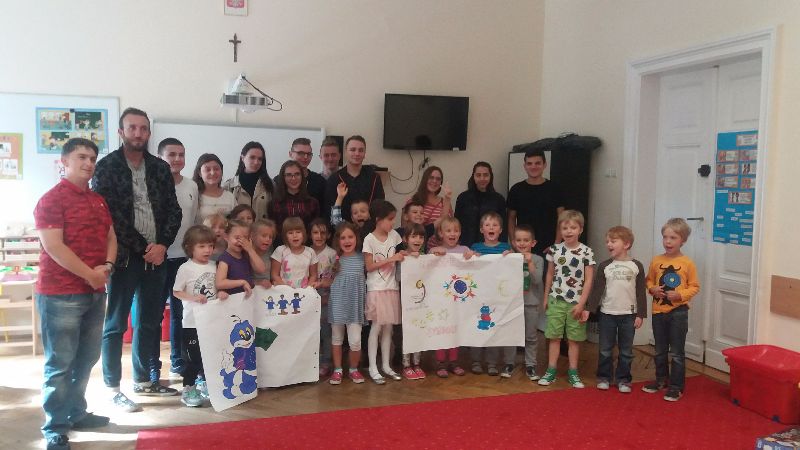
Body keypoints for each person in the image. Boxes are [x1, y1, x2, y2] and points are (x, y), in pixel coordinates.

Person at [92, 107, 181, 412]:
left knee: (150, 321)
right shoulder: (106, 167)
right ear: (121, 132)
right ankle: (112, 388)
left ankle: (143, 381)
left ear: (149, 133)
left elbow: (173, 210)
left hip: (157, 257)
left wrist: (163, 245)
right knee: (116, 324)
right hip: (124, 258)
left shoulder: (159, 168)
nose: (138, 133)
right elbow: (111, 217)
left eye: (143, 128)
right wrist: (145, 248)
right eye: (132, 128)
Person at [35, 138, 116, 450]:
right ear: (64, 162)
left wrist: (108, 265)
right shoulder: (51, 200)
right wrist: (90, 274)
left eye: (92, 158)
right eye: (81, 157)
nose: (89, 163)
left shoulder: (98, 200)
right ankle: (55, 427)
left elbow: (111, 237)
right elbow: (53, 246)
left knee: (86, 358)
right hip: (60, 293)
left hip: (95, 291)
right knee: (60, 364)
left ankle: (76, 412)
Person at [642, 218, 700, 402]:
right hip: (658, 311)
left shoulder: (687, 263)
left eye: (673, 238)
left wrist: (680, 295)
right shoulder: (656, 260)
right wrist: (652, 289)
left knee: (676, 352)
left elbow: (694, 286)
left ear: (683, 240)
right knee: (659, 350)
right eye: (665, 237)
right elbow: (649, 280)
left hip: (678, 312)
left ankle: (676, 387)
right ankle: (661, 380)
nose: (668, 241)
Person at [585, 226, 647, 393]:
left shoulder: (637, 266)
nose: (609, 244)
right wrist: (589, 309)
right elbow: (597, 290)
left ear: (626, 244)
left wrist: (641, 314)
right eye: (607, 241)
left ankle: (624, 380)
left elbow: (641, 292)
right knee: (605, 349)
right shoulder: (605, 266)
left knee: (626, 351)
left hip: (629, 315)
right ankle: (604, 377)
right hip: (607, 314)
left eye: (613, 241)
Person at [156, 137, 198, 381]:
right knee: (154, 314)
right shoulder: (154, 184)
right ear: (160, 157)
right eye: (171, 154)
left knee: (180, 313)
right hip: (158, 257)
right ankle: (152, 367)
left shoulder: (191, 185)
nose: (177, 159)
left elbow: (193, 222)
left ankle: (177, 361)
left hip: (183, 259)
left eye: (181, 155)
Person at [538, 210, 595, 388]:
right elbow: (549, 274)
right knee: (554, 337)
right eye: (565, 228)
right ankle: (551, 371)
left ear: (581, 229)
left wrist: (582, 303)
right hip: (556, 300)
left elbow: (589, 280)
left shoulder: (587, 252)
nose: (569, 231)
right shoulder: (554, 250)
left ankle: (573, 372)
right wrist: (545, 297)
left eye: (573, 227)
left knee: (573, 339)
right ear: (560, 230)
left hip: (576, 303)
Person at [172, 225, 226, 407]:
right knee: (193, 358)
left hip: (212, 321)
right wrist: (193, 298)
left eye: (210, 246)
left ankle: (204, 383)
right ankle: (188, 388)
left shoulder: (214, 266)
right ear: (190, 247)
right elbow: (177, 292)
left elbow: (218, 286)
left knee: (210, 355)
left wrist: (221, 293)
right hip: (192, 323)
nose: (207, 250)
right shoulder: (185, 268)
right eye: (202, 246)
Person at [362, 200, 405, 384]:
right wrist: (390, 259)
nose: (392, 222)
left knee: (388, 328)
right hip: (376, 289)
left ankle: (386, 365)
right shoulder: (369, 239)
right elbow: (369, 266)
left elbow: (402, 254)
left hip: (391, 288)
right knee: (376, 327)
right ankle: (373, 367)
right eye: (390, 219)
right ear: (378, 219)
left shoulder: (394, 236)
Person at [429, 217, 475, 377]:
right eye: (448, 230)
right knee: (442, 330)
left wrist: (472, 255)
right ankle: (440, 363)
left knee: (455, 331)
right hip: (441, 301)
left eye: (456, 230)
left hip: (458, 301)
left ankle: (454, 362)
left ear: (460, 233)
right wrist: (434, 253)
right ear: (441, 233)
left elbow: (477, 263)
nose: (452, 233)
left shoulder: (464, 250)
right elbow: (426, 263)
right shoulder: (435, 250)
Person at [468, 212, 512, 376]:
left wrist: (511, 257)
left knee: (493, 328)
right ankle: (476, 361)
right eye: (487, 225)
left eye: (495, 225)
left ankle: (492, 363)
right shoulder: (475, 247)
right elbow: (468, 268)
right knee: (477, 328)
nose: (491, 228)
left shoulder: (505, 248)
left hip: (497, 296)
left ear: (500, 230)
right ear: (482, 229)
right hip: (478, 295)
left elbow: (512, 268)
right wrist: (471, 257)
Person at [328, 222, 367, 385]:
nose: (347, 240)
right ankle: (337, 370)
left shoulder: (362, 258)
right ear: (338, 241)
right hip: (337, 304)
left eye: (350, 237)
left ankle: (353, 369)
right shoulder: (335, 258)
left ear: (356, 238)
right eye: (343, 237)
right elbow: (328, 280)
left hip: (355, 306)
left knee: (355, 341)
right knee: (337, 338)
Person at [507, 149, 564, 257]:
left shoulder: (555, 188)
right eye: (529, 163)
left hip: (549, 247)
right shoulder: (516, 189)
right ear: (525, 166)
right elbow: (511, 218)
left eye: (537, 163)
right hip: (523, 246)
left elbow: (561, 218)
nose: (533, 167)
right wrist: (514, 242)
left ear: (544, 165)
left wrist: (556, 244)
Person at [323, 135, 385, 223]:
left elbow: (380, 208)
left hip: (369, 228)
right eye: (352, 150)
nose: (357, 153)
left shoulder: (374, 177)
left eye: (361, 150)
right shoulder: (334, 179)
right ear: (345, 152)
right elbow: (329, 212)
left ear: (365, 153)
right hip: (342, 228)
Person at [511, 224, 545, 381]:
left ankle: (530, 364)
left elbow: (537, 280)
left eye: (526, 240)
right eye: (518, 240)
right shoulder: (510, 258)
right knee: (511, 335)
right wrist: (506, 258)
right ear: (514, 242)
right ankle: (509, 362)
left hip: (531, 303)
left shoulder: (538, 259)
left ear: (533, 242)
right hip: (513, 304)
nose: (522, 243)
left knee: (531, 336)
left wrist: (530, 263)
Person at [398, 223, 428, 380]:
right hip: (406, 302)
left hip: (421, 302)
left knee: (419, 331)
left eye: (421, 237)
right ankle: (406, 365)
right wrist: (405, 259)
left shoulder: (426, 257)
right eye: (413, 236)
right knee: (407, 333)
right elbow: (398, 278)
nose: (417, 240)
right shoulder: (402, 257)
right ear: (405, 239)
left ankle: (417, 364)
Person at [455, 162, 507, 247]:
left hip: (491, 247)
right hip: (466, 247)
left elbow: (503, 227)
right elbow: (456, 224)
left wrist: (502, 247)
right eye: (478, 175)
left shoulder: (499, 199)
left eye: (486, 175)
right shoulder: (463, 198)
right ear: (473, 177)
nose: (482, 178)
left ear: (490, 177)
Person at [310, 219, 337, 377]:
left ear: (328, 235)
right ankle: (312, 361)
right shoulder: (306, 252)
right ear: (310, 234)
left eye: (322, 233)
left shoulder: (332, 254)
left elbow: (335, 277)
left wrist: (328, 290)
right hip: (309, 300)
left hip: (327, 299)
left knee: (326, 332)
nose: (319, 236)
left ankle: (326, 361)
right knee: (312, 332)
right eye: (315, 232)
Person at [268, 160, 320, 241]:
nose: (293, 178)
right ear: (283, 177)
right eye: (289, 175)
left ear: (302, 176)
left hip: (306, 246)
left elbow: (314, 231)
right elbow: (272, 231)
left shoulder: (312, 203)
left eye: (297, 174)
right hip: (281, 246)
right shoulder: (274, 204)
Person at [222, 141, 274, 221]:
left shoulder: (270, 185)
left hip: (262, 228)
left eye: (260, 159)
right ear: (242, 158)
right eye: (252, 157)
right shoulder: (229, 186)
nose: (256, 162)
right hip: (239, 229)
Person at [215, 220, 267, 297]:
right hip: (234, 299)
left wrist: (250, 250)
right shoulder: (225, 259)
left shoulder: (246, 254)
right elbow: (219, 283)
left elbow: (261, 270)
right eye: (237, 238)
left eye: (245, 238)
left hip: (248, 298)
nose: (241, 242)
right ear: (226, 237)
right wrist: (242, 282)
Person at [407, 166, 453, 248]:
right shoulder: (413, 201)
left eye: (438, 179)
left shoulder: (445, 202)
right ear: (425, 179)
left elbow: (449, 224)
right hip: (419, 249)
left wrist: (447, 199)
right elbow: (406, 229)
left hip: (442, 249)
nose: (434, 181)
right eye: (431, 177)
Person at [270, 217, 319, 288]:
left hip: (304, 292)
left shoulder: (310, 252)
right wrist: (287, 289)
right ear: (285, 236)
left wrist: (307, 289)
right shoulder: (280, 250)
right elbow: (274, 275)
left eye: (298, 232)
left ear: (303, 234)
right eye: (290, 233)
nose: (295, 236)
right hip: (283, 291)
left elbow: (313, 275)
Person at [282, 137, 326, 206]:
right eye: (300, 153)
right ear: (290, 154)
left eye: (309, 154)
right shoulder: (279, 181)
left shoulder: (320, 182)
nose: (305, 157)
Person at [194, 153, 236, 224]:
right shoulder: (194, 196)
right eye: (207, 170)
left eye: (216, 169)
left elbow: (236, 222)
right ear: (200, 173)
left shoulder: (229, 196)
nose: (212, 173)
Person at [251, 219, 276, 289]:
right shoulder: (247, 254)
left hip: (268, 289)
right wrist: (259, 283)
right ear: (252, 236)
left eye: (270, 237)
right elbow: (243, 279)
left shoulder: (271, 251)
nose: (268, 239)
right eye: (264, 236)